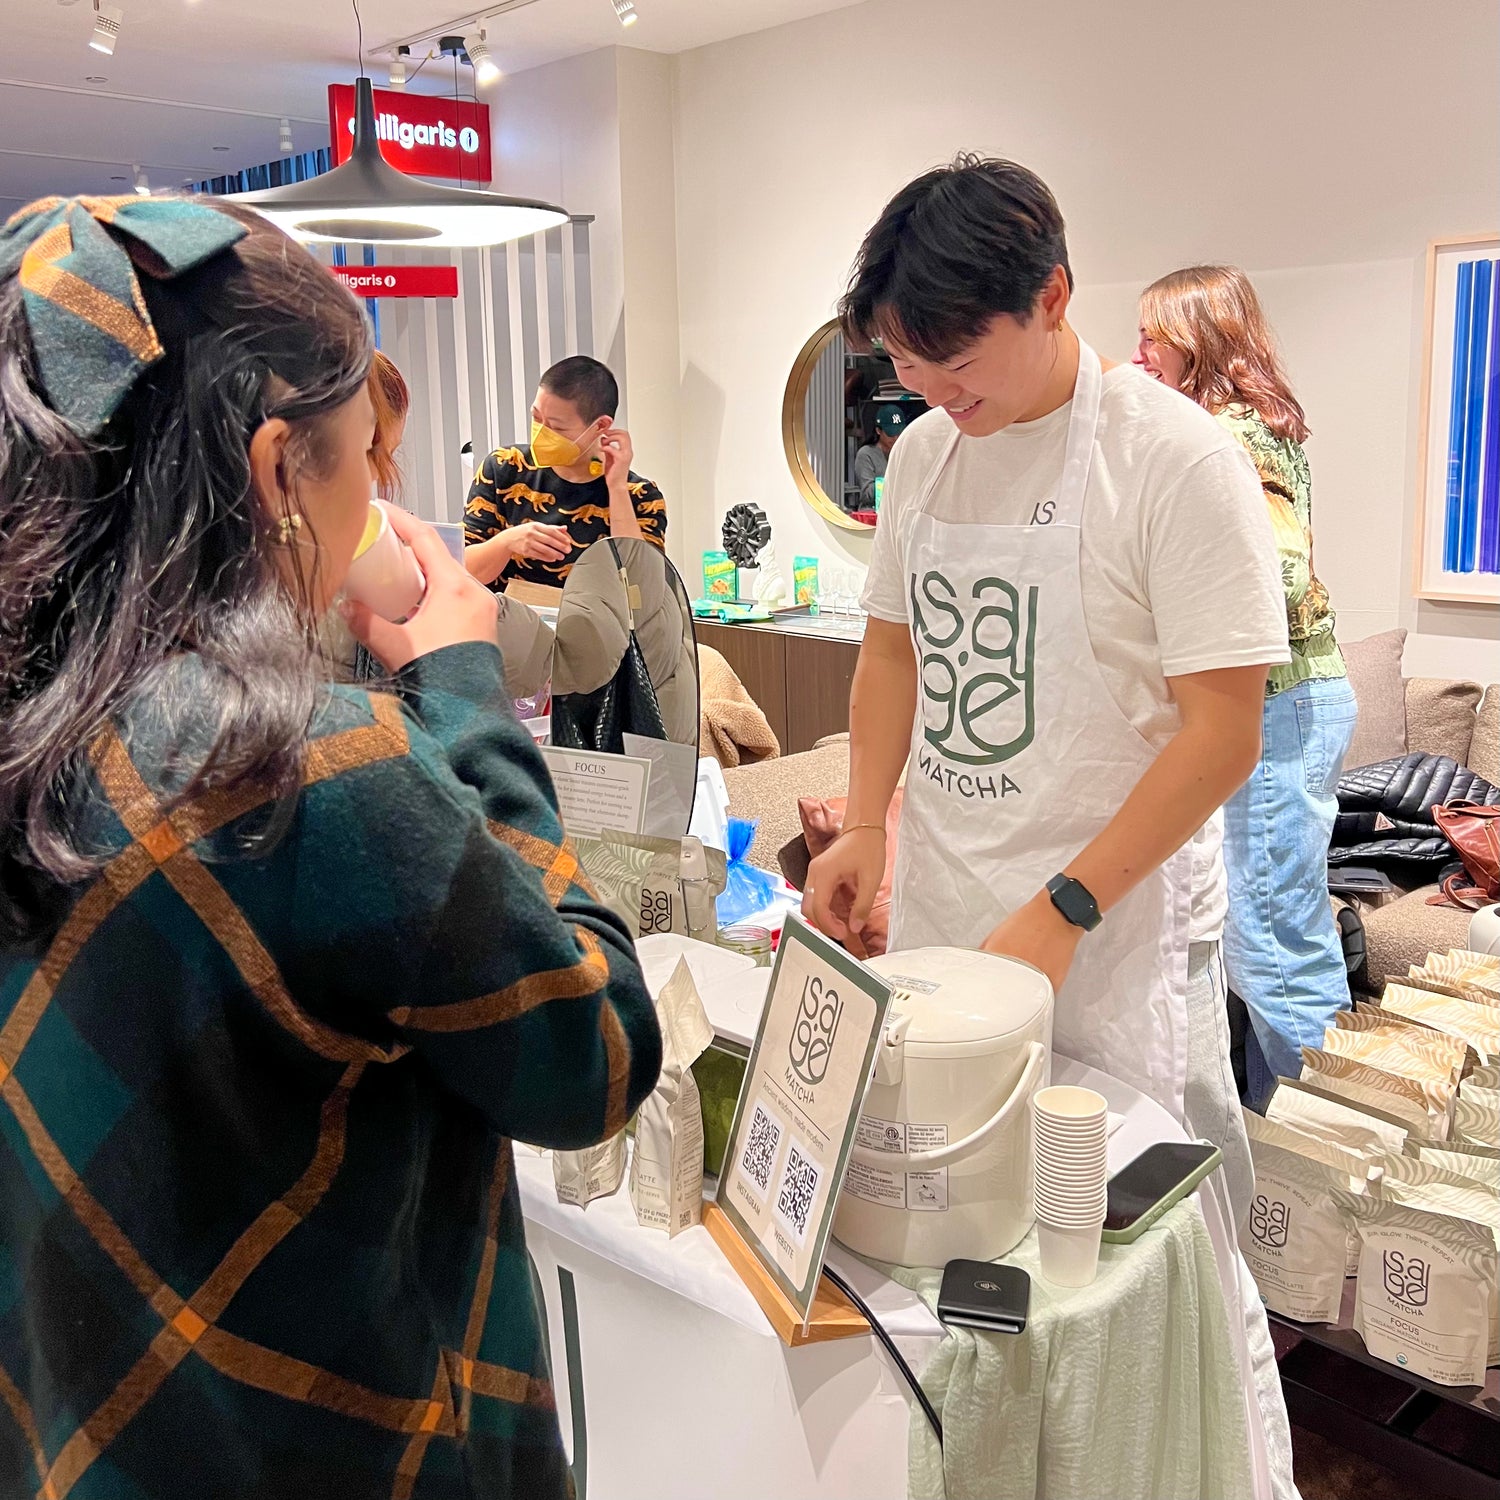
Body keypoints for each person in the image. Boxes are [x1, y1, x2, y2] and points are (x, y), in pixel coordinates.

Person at [0, 194, 660, 1499]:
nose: (385, 488)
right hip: (345, 1440)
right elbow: (592, 1053)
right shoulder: (306, 765)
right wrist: (465, 685)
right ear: (274, 473)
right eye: (363, 452)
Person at [800, 156, 1299, 1499]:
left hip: (1118, 936)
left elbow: (1223, 731)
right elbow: (893, 655)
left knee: (1143, 1255)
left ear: (1055, 296)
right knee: (968, 1248)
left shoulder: (1172, 460)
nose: (929, 394)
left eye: (956, 360)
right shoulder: (922, 453)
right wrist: (865, 829)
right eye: (908, 362)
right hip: (957, 918)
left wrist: (1068, 910)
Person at [1135, 266, 1356, 1108]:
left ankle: (1324, 1156)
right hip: (1296, 702)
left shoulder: (1229, 437)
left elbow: (1276, 574)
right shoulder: (1261, 427)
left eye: (1153, 335)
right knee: (1269, 929)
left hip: (1280, 706)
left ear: (1196, 338)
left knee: (1270, 939)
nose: (1140, 352)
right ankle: (1288, 1135)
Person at [463, 355, 666, 589]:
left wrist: (617, 489)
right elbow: (462, 569)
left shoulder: (641, 496)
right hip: (505, 621)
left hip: (594, 625)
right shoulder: (504, 467)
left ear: (600, 426)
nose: (541, 433)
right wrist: (507, 542)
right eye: (536, 418)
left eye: (557, 427)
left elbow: (640, 589)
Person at [852, 403, 907, 507]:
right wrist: (893, 481)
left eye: (899, 433)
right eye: (891, 434)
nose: (895, 438)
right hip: (873, 513)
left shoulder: (904, 452)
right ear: (878, 431)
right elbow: (867, 494)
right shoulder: (866, 454)